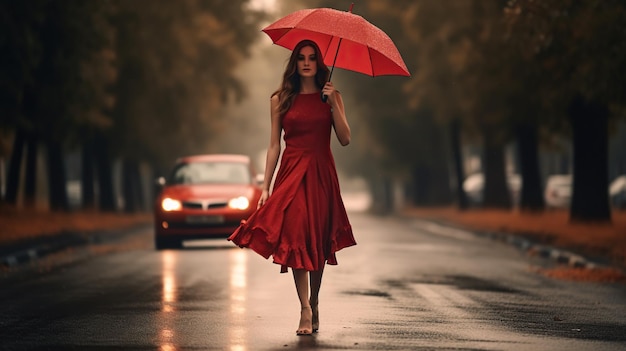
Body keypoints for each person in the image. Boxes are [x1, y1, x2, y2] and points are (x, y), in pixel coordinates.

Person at [228, 39, 357, 336]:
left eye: (312, 58)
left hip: (322, 173)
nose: (307, 62)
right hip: (291, 173)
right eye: (301, 58)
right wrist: (265, 185)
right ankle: (304, 308)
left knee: (319, 240)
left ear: (319, 62)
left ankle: (315, 299)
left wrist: (332, 105)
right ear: (295, 63)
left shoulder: (333, 95)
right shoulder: (280, 99)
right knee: (297, 234)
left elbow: (346, 139)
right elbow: (273, 146)